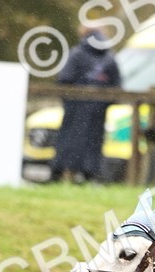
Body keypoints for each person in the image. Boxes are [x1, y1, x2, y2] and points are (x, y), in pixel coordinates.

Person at [49, 27, 121, 184]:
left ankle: (60, 173)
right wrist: (101, 103)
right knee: (93, 143)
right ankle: (90, 175)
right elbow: (117, 87)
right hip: (98, 112)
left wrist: (72, 101)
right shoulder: (109, 57)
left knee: (68, 141)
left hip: (75, 109)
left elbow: (64, 80)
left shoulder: (77, 54)